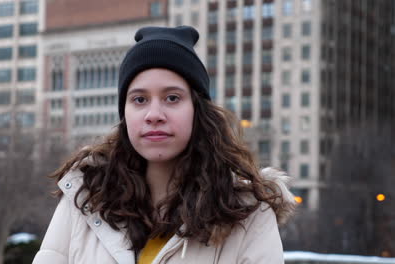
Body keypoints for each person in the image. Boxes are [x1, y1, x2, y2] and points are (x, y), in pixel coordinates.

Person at [33, 26, 296, 264]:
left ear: (197, 109)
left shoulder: (248, 213)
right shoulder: (85, 198)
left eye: (172, 98)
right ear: (124, 114)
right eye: (139, 99)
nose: (154, 114)